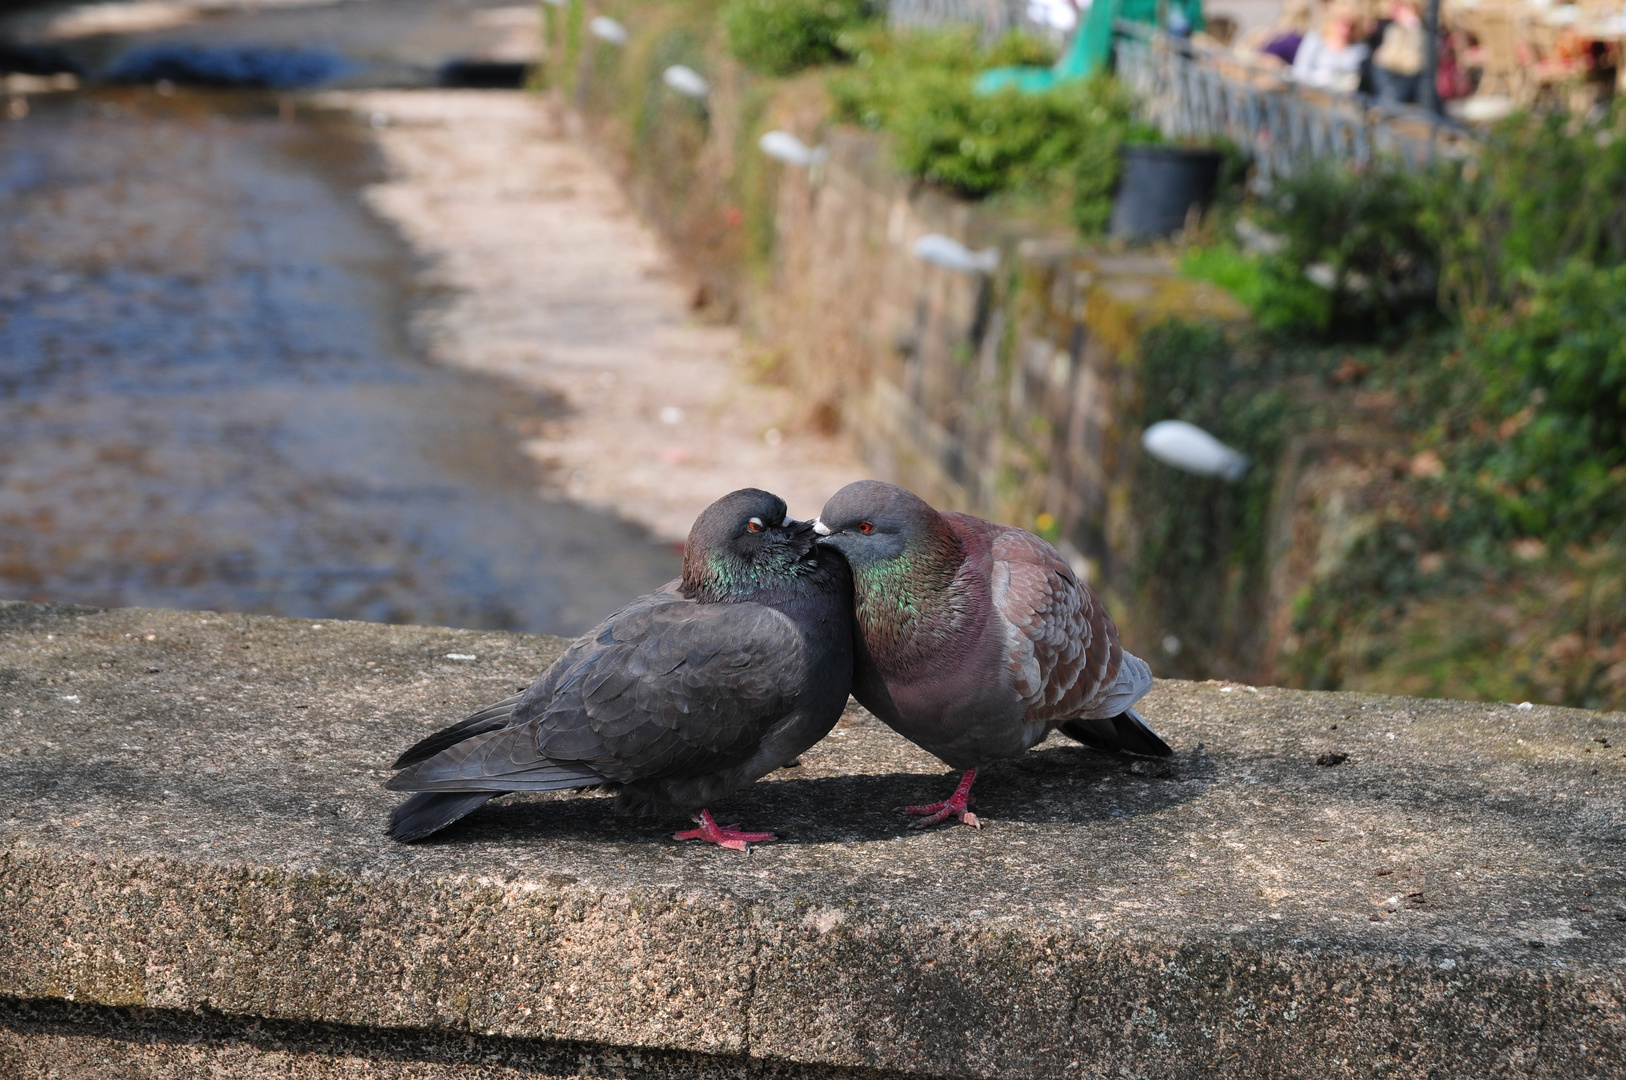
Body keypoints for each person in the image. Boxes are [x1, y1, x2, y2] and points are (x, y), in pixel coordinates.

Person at [1292, 1, 1371, 91]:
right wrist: (1323, 79)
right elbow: (1299, 72)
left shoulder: (1360, 50)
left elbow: (1355, 80)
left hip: (1340, 100)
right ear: (1334, 19)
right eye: (1344, 23)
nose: (1347, 28)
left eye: (1352, 25)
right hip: (1309, 94)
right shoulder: (1315, 39)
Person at [1371, 0, 1426, 103]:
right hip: (1389, 93)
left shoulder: (1421, 33)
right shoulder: (1391, 29)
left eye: (1400, 7)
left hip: (1408, 96)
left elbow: (1413, 66)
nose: (1394, 10)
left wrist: (1412, 24)